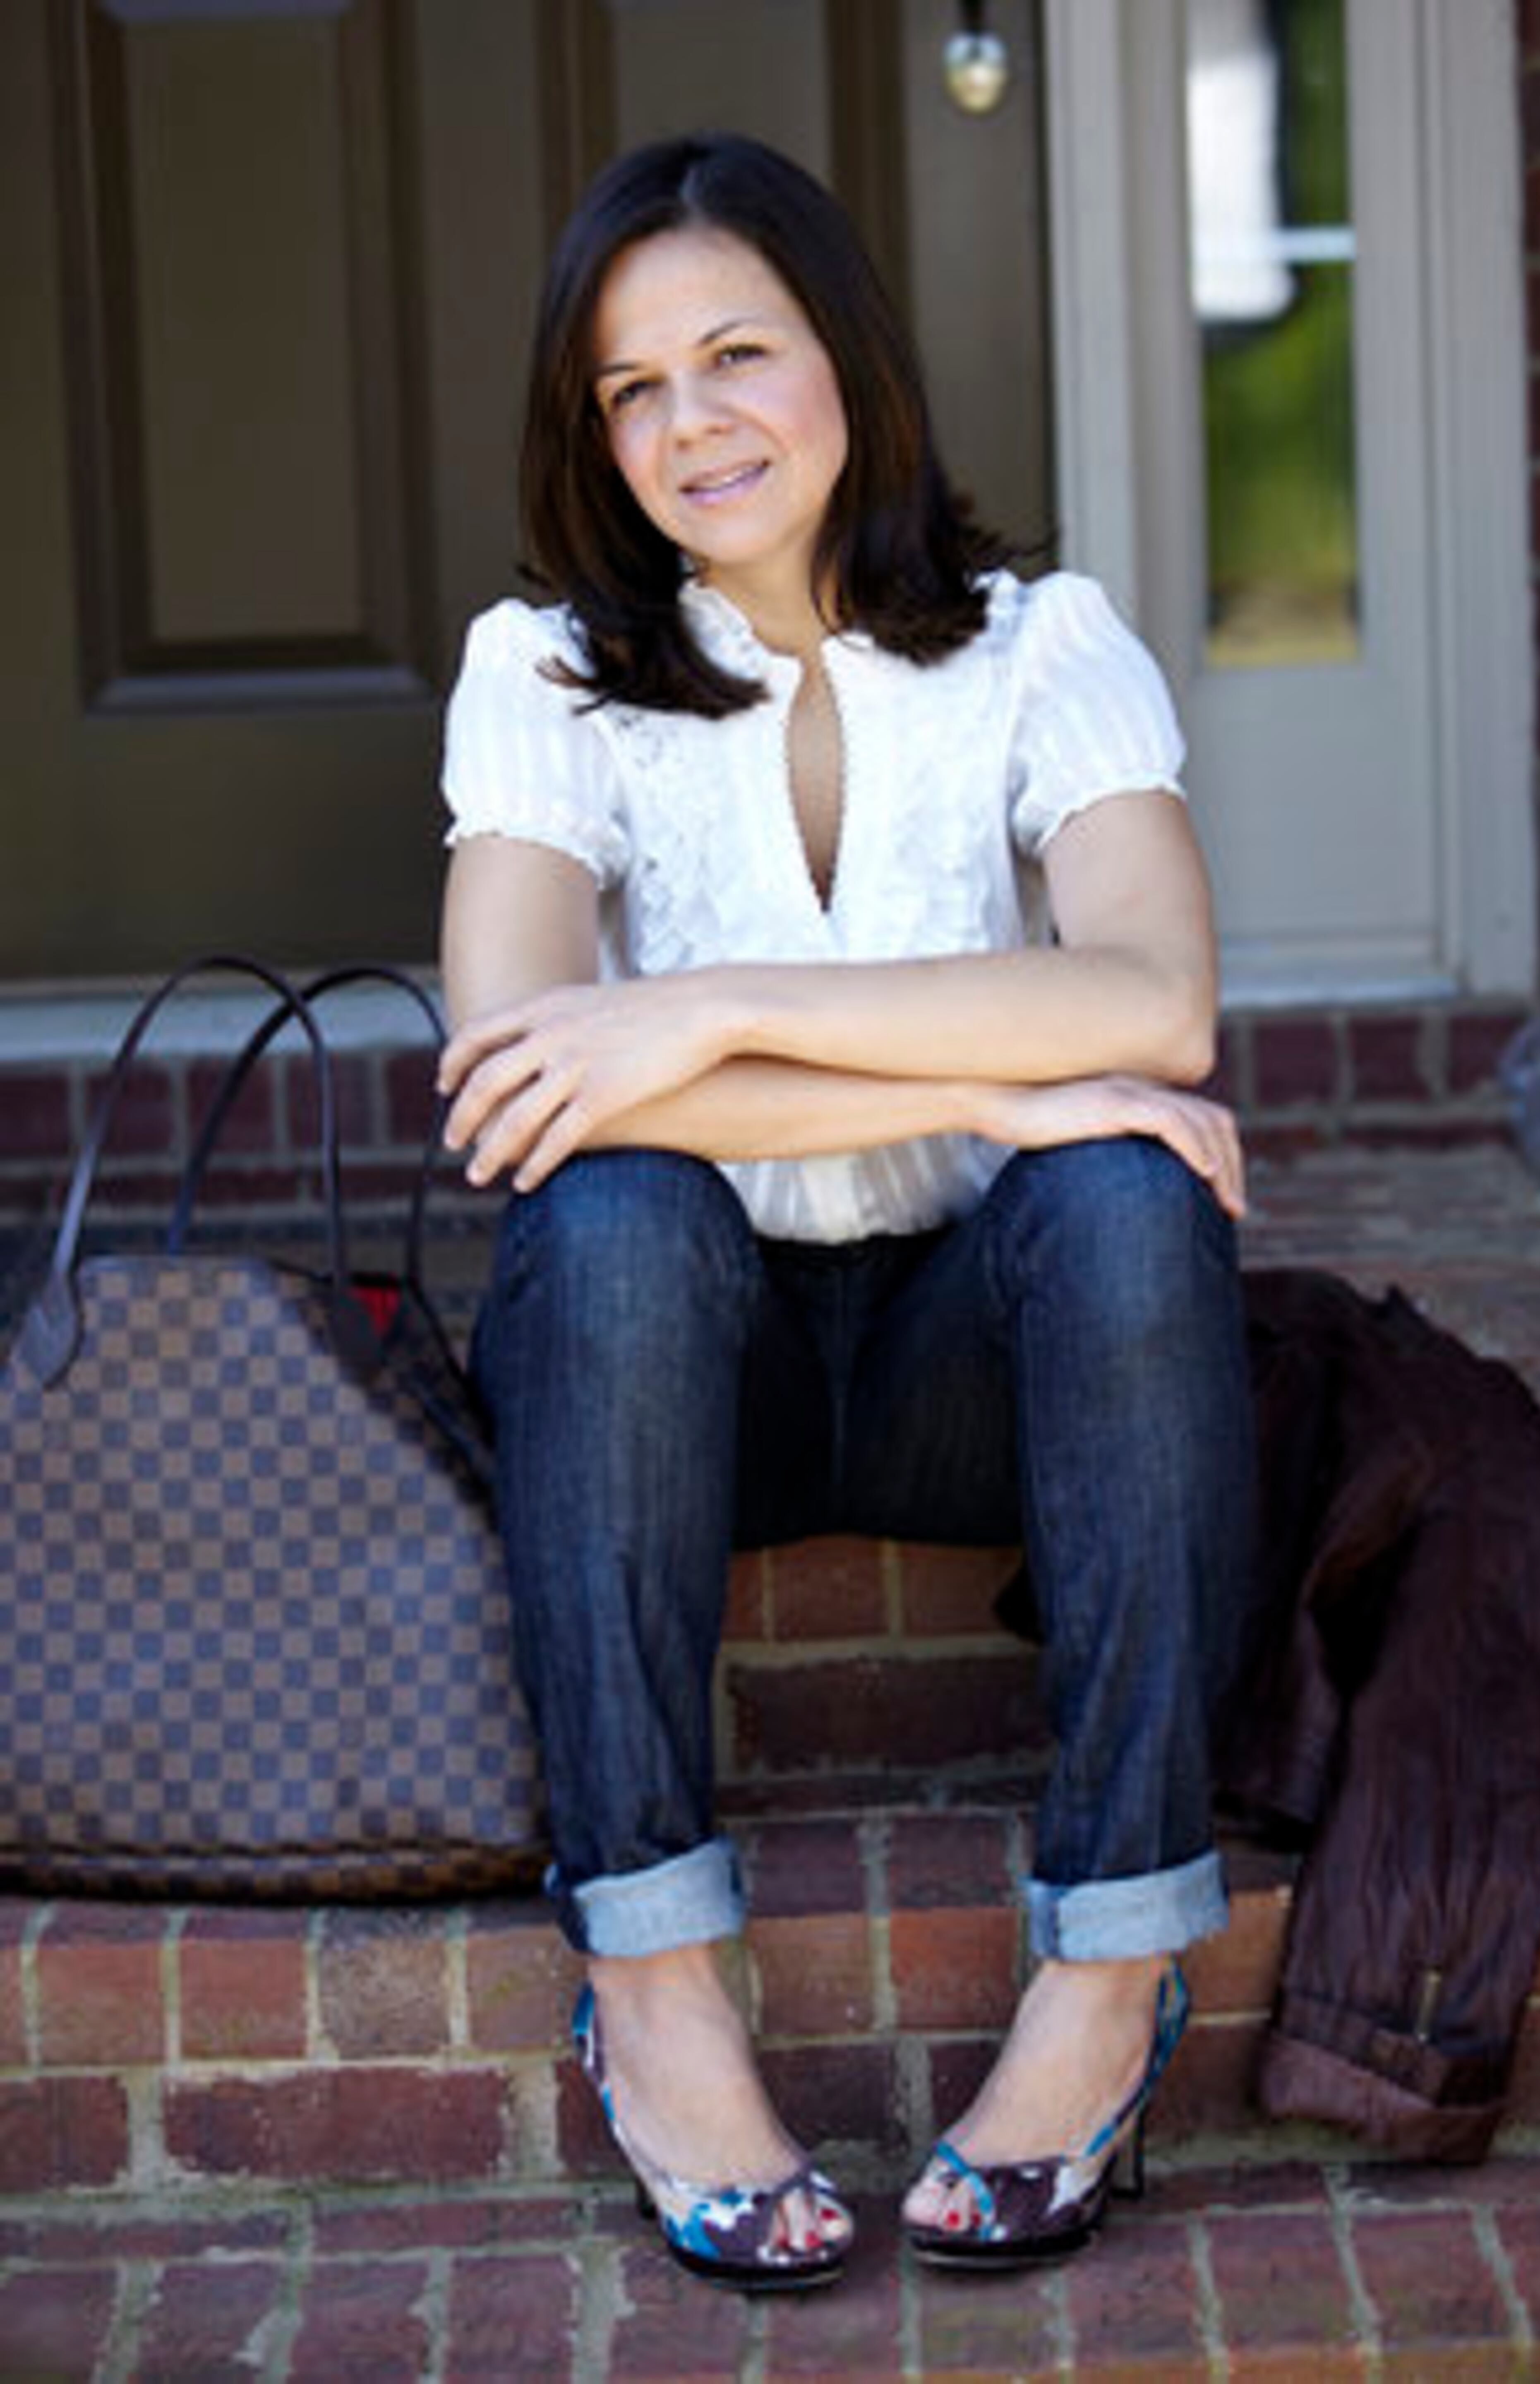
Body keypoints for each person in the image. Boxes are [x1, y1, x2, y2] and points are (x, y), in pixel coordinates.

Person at [435, 130, 1255, 2290]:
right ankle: (656, 1987)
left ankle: (1113, 1970)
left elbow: (1157, 996)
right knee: (607, 1211)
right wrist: (1000, 1054)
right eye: (631, 387)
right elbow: (525, 1081)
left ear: (848, 362)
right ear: (591, 431)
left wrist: (698, 1012)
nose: (691, 420)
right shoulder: (541, 672)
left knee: (1125, 1197)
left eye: (735, 353)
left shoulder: (1035, 645)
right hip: (670, 1370)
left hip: (970, 1354)